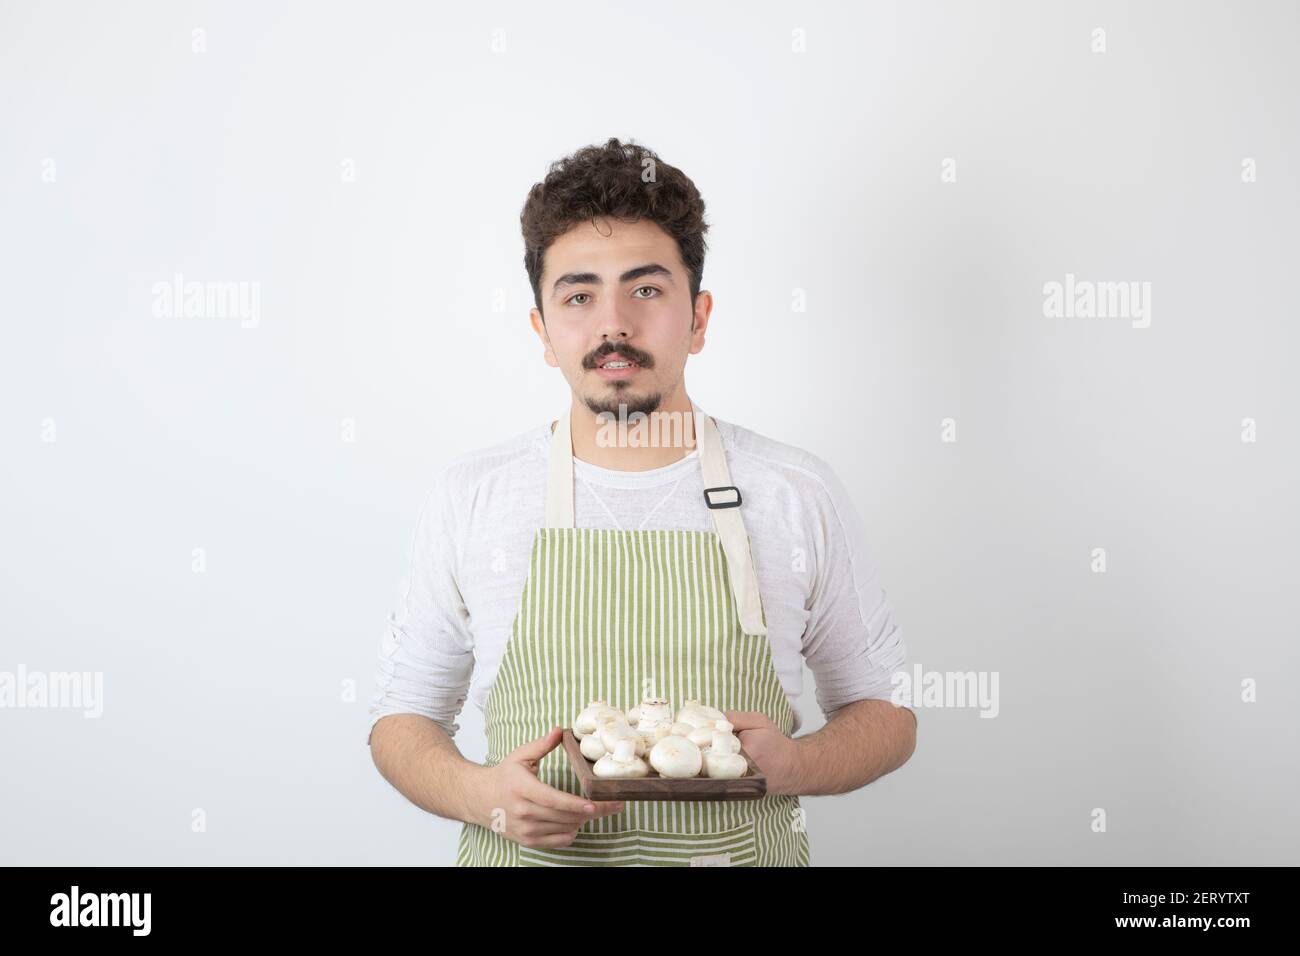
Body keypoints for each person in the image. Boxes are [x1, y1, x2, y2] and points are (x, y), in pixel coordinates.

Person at [367, 137, 916, 866]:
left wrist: (793, 766)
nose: (613, 324)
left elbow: (887, 713)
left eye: (647, 290)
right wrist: (482, 796)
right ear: (542, 329)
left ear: (699, 317)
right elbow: (402, 716)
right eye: (579, 295)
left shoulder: (795, 491)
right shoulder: (475, 495)